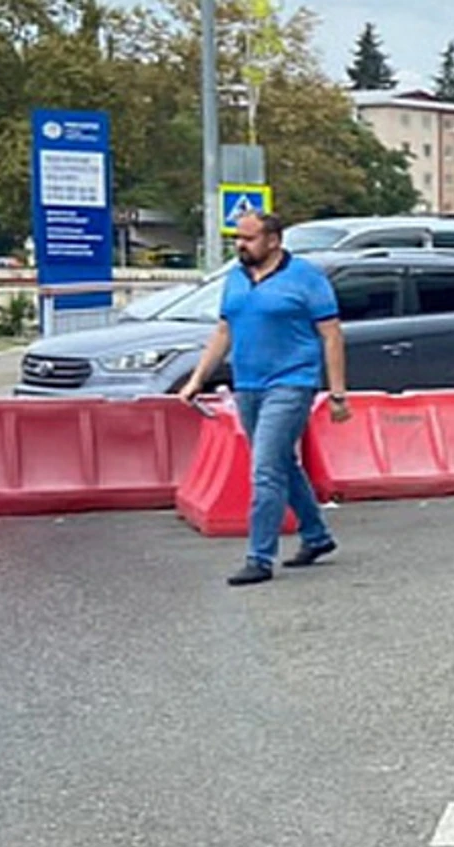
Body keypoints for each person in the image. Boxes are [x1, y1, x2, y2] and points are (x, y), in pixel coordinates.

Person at [178, 212, 350, 587]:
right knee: (282, 464)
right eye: (237, 238)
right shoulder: (236, 278)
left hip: (292, 383)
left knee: (265, 468)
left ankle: (259, 557)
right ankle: (317, 536)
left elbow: (332, 335)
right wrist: (196, 379)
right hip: (249, 385)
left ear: (273, 240)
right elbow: (224, 331)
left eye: (249, 238)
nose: (241, 245)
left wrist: (338, 393)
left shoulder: (306, 277)